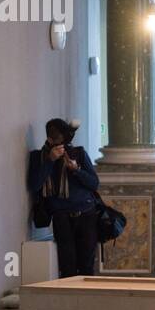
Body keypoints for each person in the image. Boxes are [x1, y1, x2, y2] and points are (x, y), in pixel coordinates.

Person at [27, 118, 100, 277]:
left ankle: (88, 300)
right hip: (61, 217)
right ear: (49, 139)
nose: (63, 145)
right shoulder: (38, 157)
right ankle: (69, 301)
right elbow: (35, 185)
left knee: (87, 266)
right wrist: (49, 161)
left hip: (86, 214)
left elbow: (94, 183)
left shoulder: (78, 153)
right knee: (67, 266)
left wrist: (76, 169)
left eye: (66, 140)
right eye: (59, 139)